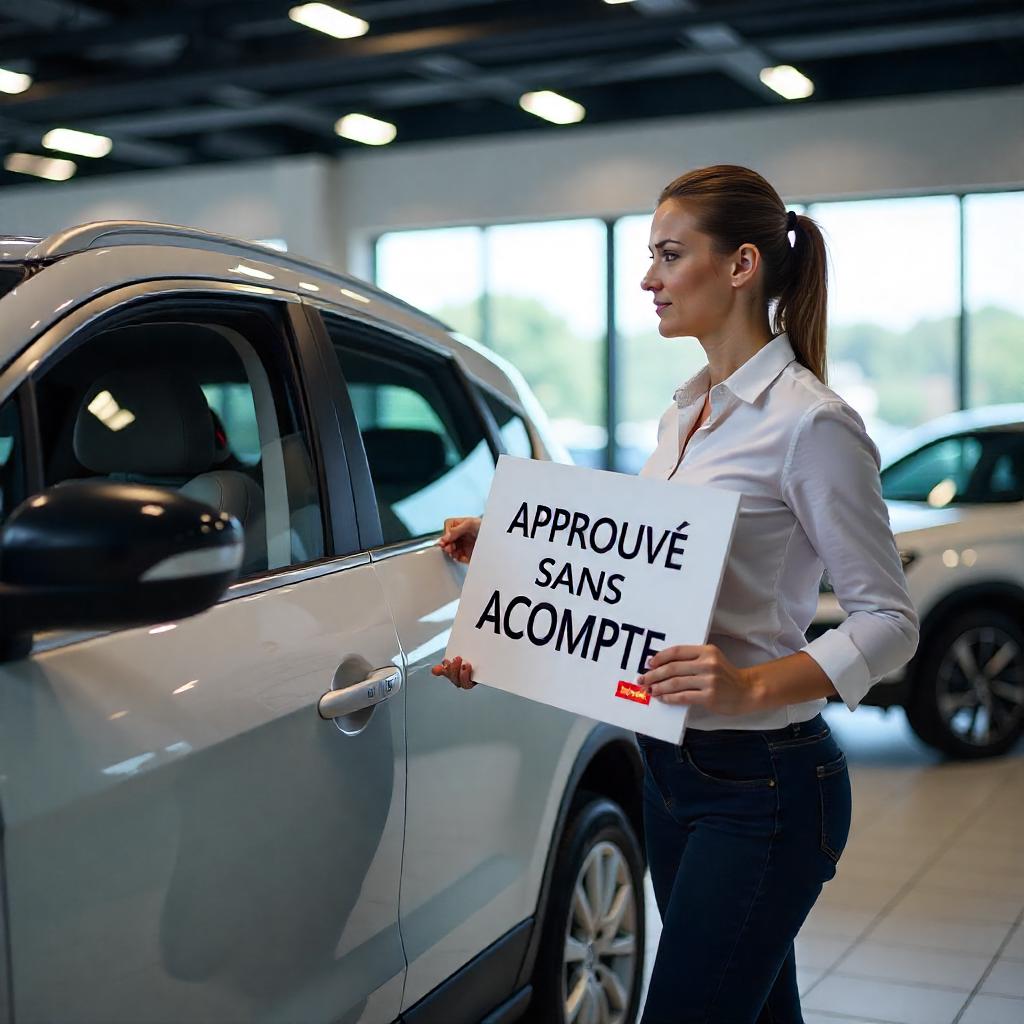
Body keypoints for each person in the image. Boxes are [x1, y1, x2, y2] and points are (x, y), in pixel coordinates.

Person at [432, 164, 919, 1024]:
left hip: (765, 787)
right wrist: (506, 569)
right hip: (668, 771)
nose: (648, 279)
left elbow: (889, 621)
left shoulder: (811, 423)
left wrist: (751, 685)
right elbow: (637, 578)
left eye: (668, 254)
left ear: (740, 265)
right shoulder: (682, 417)